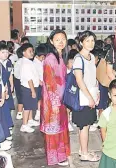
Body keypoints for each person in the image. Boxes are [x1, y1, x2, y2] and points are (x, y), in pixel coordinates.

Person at [41, 29, 70, 166]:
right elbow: (49, 83)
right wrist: (55, 103)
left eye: (63, 39)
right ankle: (54, 158)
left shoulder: (60, 56)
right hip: (52, 102)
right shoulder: (50, 59)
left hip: (61, 99)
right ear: (51, 41)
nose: (61, 42)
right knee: (53, 130)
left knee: (60, 128)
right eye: (57, 39)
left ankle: (61, 155)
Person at [72, 31, 100, 162]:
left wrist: (97, 92)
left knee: (85, 125)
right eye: (87, 41)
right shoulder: (78, 58)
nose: (91, 43)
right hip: (83, 97)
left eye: (92, 40)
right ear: (81, 42)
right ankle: (84, 153)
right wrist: (89, 97)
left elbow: (93, 77)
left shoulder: (92, 57)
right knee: (84, 126)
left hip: (91, 94)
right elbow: (79, 80)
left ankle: (82, 149)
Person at [18, 43, 40, 133]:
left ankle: (30, 120)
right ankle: (24, 125)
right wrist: (33, 91)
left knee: (30, 105)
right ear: (24, 53)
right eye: (29, 51)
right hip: (28, 88)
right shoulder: (26, 64)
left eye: (32, 51)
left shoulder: (28, 62)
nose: (32, 53)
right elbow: (29, 79)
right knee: (27, 107)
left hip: (30, 87)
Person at [0, 43, 15, 134]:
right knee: (2, 107)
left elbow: (10, 74)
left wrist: (12, 85)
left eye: (7, 52)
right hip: (0, 87)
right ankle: (4, 127)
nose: (5, 54)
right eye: (3, 52)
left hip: (7, 85)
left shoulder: (9, 62)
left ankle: (8, 124)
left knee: (8, 106)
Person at [65, 49, 78, 132]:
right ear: (67, 64)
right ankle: (67, 123)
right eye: (71, 62)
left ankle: (72, 120)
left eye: (74, 62)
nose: (73, 64)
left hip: (74, 92)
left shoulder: (76, 72)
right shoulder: (65, 72)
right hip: (67, 93)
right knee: (67, 109)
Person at [33, 44, 47, 121]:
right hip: (38, 84)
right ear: (37, 55)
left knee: (42, 99)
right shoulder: (34, 63)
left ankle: (41, 112)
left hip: (44, 83)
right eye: (42, 57)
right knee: (39, 99)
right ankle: (37, 114)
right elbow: (34, 75)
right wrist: (40, 82)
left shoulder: (42, 61)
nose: (43, 58)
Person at [14, 48, 23, 120]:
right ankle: (19, 112)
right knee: (21, 97)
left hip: (18, 80)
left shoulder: (18, 62)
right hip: (20, 81)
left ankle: (20, 112)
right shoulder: (22, 62)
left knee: (20, 97)